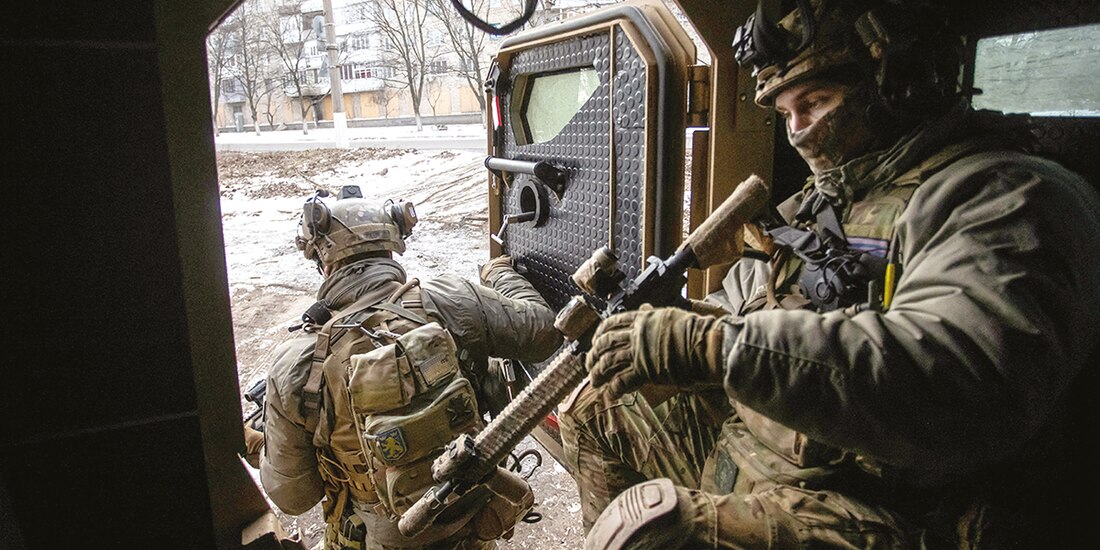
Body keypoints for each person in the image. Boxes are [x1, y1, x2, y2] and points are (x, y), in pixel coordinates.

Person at [560, 0, 1100, 548]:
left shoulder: (1003, 199)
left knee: (657, 533)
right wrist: (674, 330)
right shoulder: (821, 203)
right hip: (765, 447)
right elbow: (742, 312)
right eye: (785, 112)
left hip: (877, 501)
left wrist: (710, 346)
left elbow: (960, 380)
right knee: (597, 403)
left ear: (898, 85)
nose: (797, 132)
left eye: (815, 102)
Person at [244, 186, 563, 550]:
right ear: (392, 245)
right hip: (469, 524)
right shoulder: (452, 299)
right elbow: (544, 332)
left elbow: (294, 497)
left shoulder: (296, 363)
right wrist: (498, 272)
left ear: (324, 262)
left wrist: (262, 444)